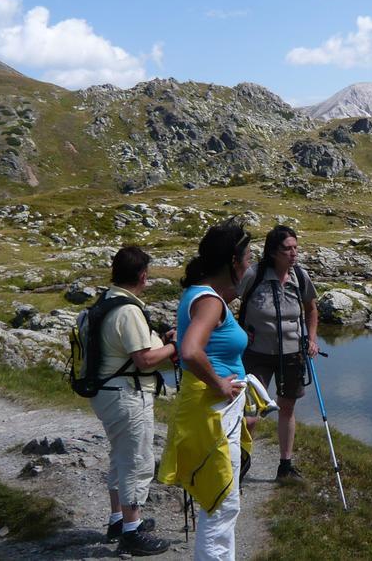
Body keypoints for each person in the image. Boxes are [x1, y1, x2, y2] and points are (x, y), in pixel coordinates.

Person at [158, 219, 253, 561]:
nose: (249, 264)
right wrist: (220, 385)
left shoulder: (198, 293)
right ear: (232, 261)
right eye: (247, 257)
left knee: (221, 502)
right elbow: (190, 351)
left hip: (209, 409)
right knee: (222, 504)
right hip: (212, 411)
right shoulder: (211, 301)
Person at [90, 246, 176, 557]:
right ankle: (132, 530)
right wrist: (173, 347)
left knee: (120, 456)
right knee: (136, 461)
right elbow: (144, 359)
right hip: (127, 395)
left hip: (107, 392)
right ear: (142, 275)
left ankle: (118, 519)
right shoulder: (129, 311)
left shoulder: (105, 302)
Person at [238, 225, 319, 481]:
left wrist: (312, 339)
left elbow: (312, 309)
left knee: (287, 408)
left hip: (293, 354)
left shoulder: (299, 277)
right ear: (273, 252)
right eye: (287, 249)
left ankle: (285, 466)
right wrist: (238, 331)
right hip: (257, 354)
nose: (294, 253)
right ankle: (239, 462)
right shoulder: (254, 274)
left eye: (296, 247)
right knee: (250, 413)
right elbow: (224, 299)